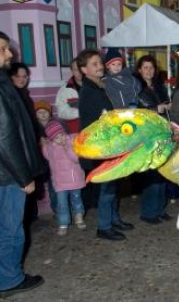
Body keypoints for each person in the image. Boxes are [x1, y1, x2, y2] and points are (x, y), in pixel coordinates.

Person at [0, 31, 45, 298]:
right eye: (4, 49)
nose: (10, 54)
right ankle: (9, 279)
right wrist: (23, 176)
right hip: (8, 175)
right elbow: (4, 137)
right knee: (10, 229)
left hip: (6, 172)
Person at [77, 48, 134, 241]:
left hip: (109, 146)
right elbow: (98, 123)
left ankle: (114, 219)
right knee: (107, 188)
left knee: (113, 185)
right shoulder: (89, 92)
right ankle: (104, 226)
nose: (100, 66)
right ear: (84, 70)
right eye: (94, 64)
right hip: (100, 148)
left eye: (100, 63)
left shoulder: (100, 86)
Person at [134, 55, 172, 224]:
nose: (149, 71)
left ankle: (159, 209)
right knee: (151, 175)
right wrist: (157, 108)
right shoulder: (136, 88)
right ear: (139, 69)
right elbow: (136, 112)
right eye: (145, 67)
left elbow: (165, 106)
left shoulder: (158, 87)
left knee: (162, 172)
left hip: (161, 133)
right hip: (147, 136)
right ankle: (148, 212)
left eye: (151, 67)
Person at [41, 120, 86, 236]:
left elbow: (76, 159)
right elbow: (47, 157)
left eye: (61, 134)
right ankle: (63, 223)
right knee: (62, 203)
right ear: (51, 138)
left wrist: (67, 148)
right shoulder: (50, 146)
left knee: (76, 200)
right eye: (56, 137)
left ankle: (79, 217)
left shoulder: (71, 141)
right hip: (60, 182)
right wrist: (44, 146)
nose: (60, 138)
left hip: (74, 179)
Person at [55, 58, 83, 134]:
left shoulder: (95, 87)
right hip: (74, 134)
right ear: (72, 71)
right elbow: (62, 112)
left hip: (94, 131)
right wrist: (82, 111)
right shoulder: (64, 90)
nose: (79, 72)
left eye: (81, 68)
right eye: (76, 70)